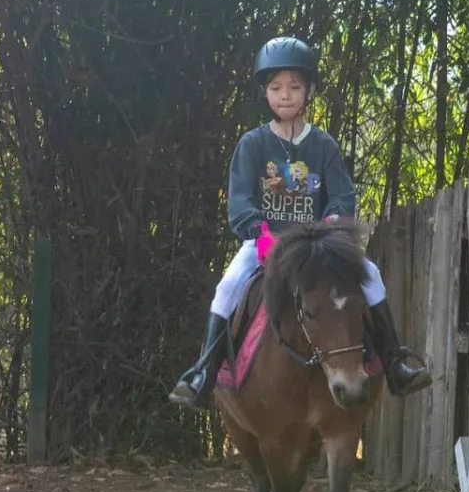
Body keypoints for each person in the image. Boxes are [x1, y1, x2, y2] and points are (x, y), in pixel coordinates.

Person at [169, 36, 431, 407]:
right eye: (276, 88)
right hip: (266, 241)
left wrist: (329, 230)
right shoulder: (252, 144)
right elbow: (241, 201)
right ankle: (203, 374)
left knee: (370, 275)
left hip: (316, 245)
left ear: (309, 90)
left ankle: (394, 363)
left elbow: (341, 196)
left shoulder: (324, 145)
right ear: (265, 93)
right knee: (227, 288)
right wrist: (260, 235)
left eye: (294, 87)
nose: (285, 95)